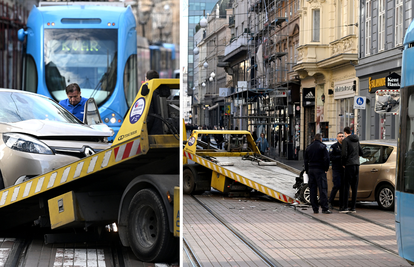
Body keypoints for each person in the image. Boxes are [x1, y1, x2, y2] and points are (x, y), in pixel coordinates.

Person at [304, 133, 331, 214]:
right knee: (322, 189)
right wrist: (326, 168)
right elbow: (327, 159)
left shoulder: (308, 148)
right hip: (320, 170)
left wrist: (307, 170)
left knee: (312, 189)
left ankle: (315, 208)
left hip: (311, 170)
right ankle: (324, 208)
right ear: (321, 138)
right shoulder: (322, 147)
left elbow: (305, 161)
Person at [340, 126, 363, 214]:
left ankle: (345, 207)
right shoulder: (356, 140)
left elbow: (344, 154)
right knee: (355, 187)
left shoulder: (345, 141)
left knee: (346, 186)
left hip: (349, 165)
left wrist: (343, 163)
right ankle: (353, 207)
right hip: (357, 165)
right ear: (351, 131)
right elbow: (361, 152)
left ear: (345, 133)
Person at [328, 132, 345, 209]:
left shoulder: (346, 146)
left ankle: (342, 204)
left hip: (344, 169)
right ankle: (330, 201)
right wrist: (340, 157)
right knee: (337, 185)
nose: (341, 138)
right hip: (336, 169)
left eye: (342, 136)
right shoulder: (334, 147)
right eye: (339, 136)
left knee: (343, 187)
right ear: (337, 138)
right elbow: (331, 157)